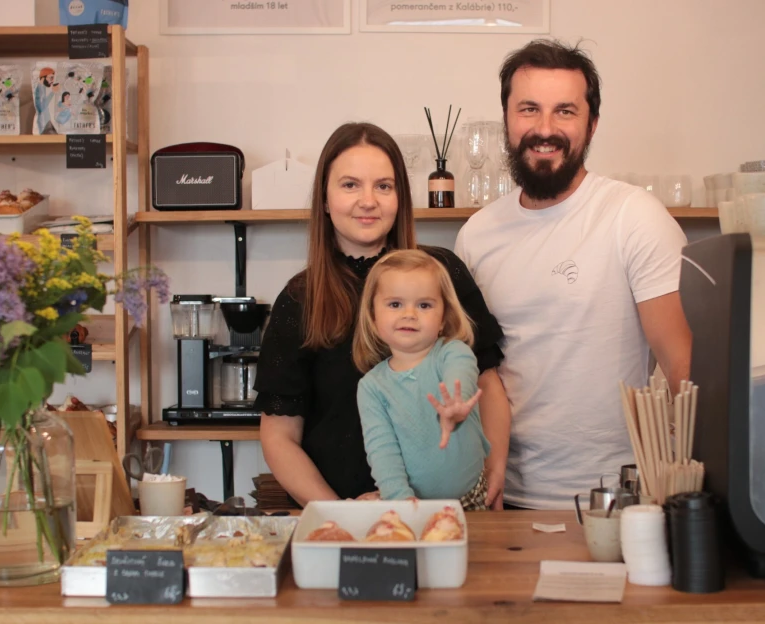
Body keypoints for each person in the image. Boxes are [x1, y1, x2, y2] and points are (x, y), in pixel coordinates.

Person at [454, 39, 692, 510]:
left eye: (565, 111)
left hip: (620, 499)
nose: (545, 129)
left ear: (592, 123)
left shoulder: (633, 215)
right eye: (529, 109)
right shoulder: (476, 236)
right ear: (506, 118)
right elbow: (474, 372)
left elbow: (684, 367)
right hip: (504, 496)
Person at [255, 122, 511, 508]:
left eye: (384, 186)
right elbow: (279, 436)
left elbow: (487, 385)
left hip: (453, 512)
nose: (368, 200)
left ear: (400, 198)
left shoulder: (441, 273)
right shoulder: (299, 299)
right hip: (344, 518)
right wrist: (339, 514)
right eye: (350, 185)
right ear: (324, 199)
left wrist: (494, 468)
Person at [353, 249, 490, 509]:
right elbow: (382, 451)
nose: (410, 314)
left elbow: (460, 375)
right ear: (373, 318)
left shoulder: (452, 352)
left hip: (470, 499)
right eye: (395, 304)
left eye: (424, 305)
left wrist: (452, 409)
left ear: (442, 319)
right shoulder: (371, 387)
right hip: (411, 503)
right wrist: (399, 498)